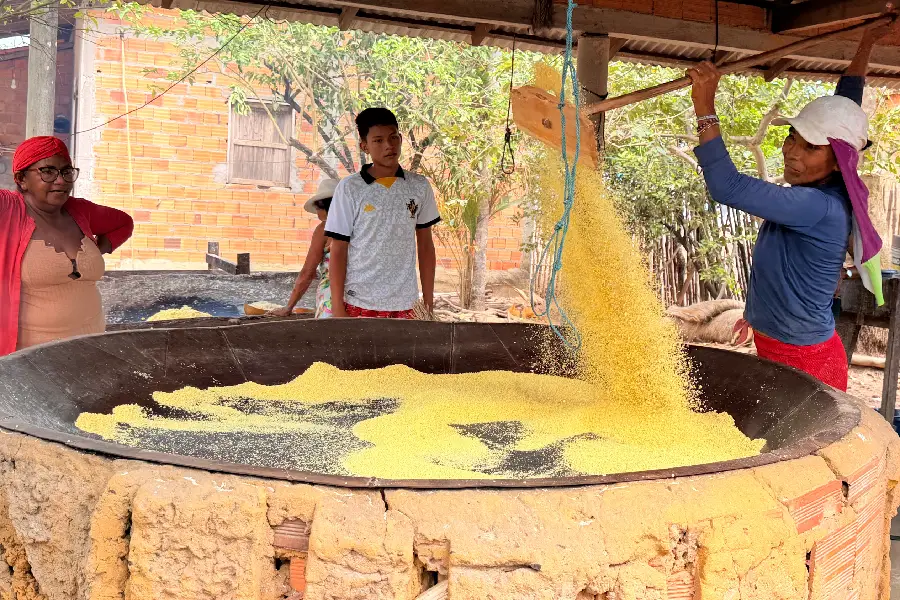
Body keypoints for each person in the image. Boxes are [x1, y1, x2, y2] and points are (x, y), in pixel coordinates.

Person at [686, 20, 897, 391]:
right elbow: (844, 103)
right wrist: (867, 42)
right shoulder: (824, 185)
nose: (791, 152)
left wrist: (704, 105)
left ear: (839, 160)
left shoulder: (816, 206)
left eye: (810, 147)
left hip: (807, 358)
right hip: (782, 342)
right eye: (791, 137)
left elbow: (726, 186)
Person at [0, 136, 134, 356]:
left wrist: (93, 251)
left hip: (92, 350)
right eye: (48, 171)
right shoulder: (7, 209)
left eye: (66, 171)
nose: (61, 180)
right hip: (29, 362)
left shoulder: (80, 211)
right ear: (22, 179)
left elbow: (123, 223)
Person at [324, 107, 439, 319]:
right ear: (364, 146)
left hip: (406, 304)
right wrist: (338, 308)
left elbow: (425, 246)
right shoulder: (350, 188)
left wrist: (428, 304)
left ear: (401, 138)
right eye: (378, 140)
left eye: (393, 137)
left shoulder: (419, 187)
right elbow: (338, 249)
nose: (389, 145)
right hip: (359, 302)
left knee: (406, 354)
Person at [270, 179, 339, 319]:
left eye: (318, 209)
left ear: (326, 208)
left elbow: (308, 273)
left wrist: (288, 307)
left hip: (332, 299)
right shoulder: (360, 226)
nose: (317, 213)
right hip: (359, 298)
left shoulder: (324, 229)